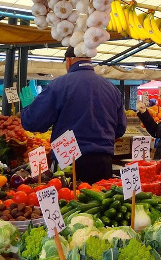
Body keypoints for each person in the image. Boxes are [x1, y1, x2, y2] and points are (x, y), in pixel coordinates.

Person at [21, 47, 125, 184]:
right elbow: (120, 129)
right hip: (102, 161)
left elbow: (34, 122)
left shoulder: (59, 85)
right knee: (100, 203)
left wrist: (28, 107)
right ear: (89, 59)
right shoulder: (112, 88)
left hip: (69, 161)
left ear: (69, 61)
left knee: (69, 202)